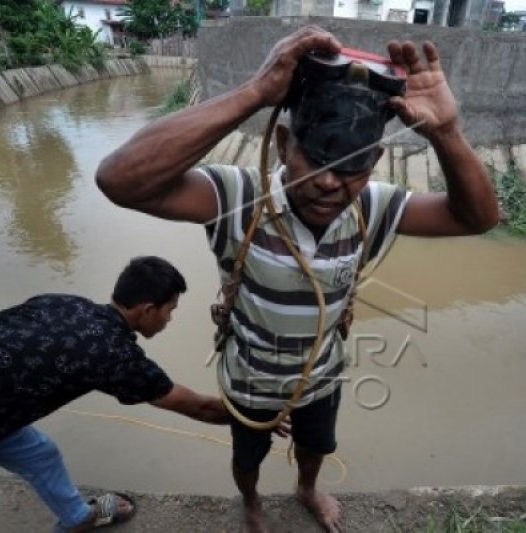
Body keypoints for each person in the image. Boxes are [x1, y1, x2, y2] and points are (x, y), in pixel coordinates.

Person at [95, 26, 499, 533]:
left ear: (374, 162)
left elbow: (477, 218)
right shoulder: (238, 196)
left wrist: (445, 132)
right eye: (316, 158)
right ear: (285, 144)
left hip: (321, 377)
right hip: (248, 381)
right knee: (247, 458)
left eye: (350, 165)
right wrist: (257, 91)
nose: (330, 181)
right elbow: (119, 179)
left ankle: (307, 489)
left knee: (316, 446)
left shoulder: (372, 207)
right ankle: (253, 502)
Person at [0, 256, 245, 532]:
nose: (170, 319)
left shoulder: (61, 302)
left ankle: (77, 518)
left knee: (39, 453)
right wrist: (255, 418)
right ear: (147, 310)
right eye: (169, 310)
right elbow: (198, 407)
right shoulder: (114, 355)